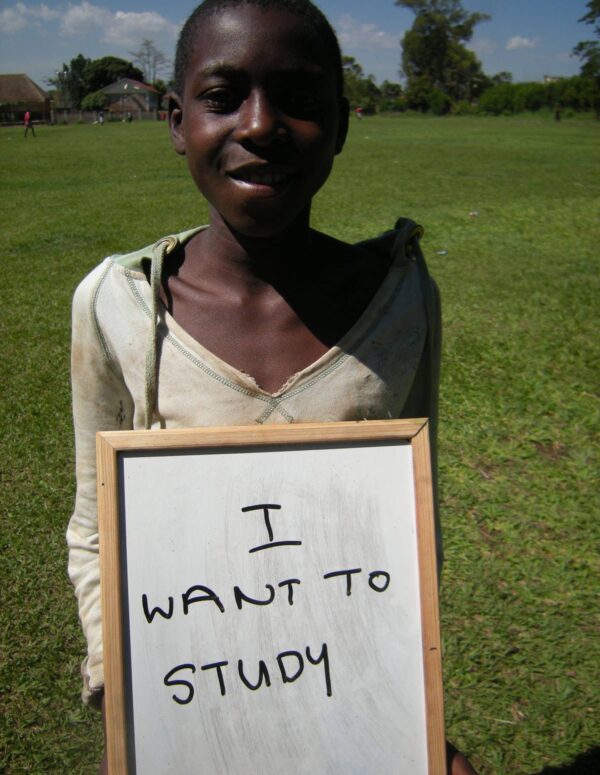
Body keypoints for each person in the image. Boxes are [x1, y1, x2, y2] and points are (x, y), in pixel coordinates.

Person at [67, 1, 477, 772]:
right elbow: (96, 532)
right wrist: (124, 685)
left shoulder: (400, 300)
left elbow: (411, 530)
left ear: (344, 124)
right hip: (191, 728)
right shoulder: (116, 305)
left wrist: (407, 725)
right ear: (176, 120)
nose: (260, 126)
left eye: (299, 99)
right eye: (223, 97)